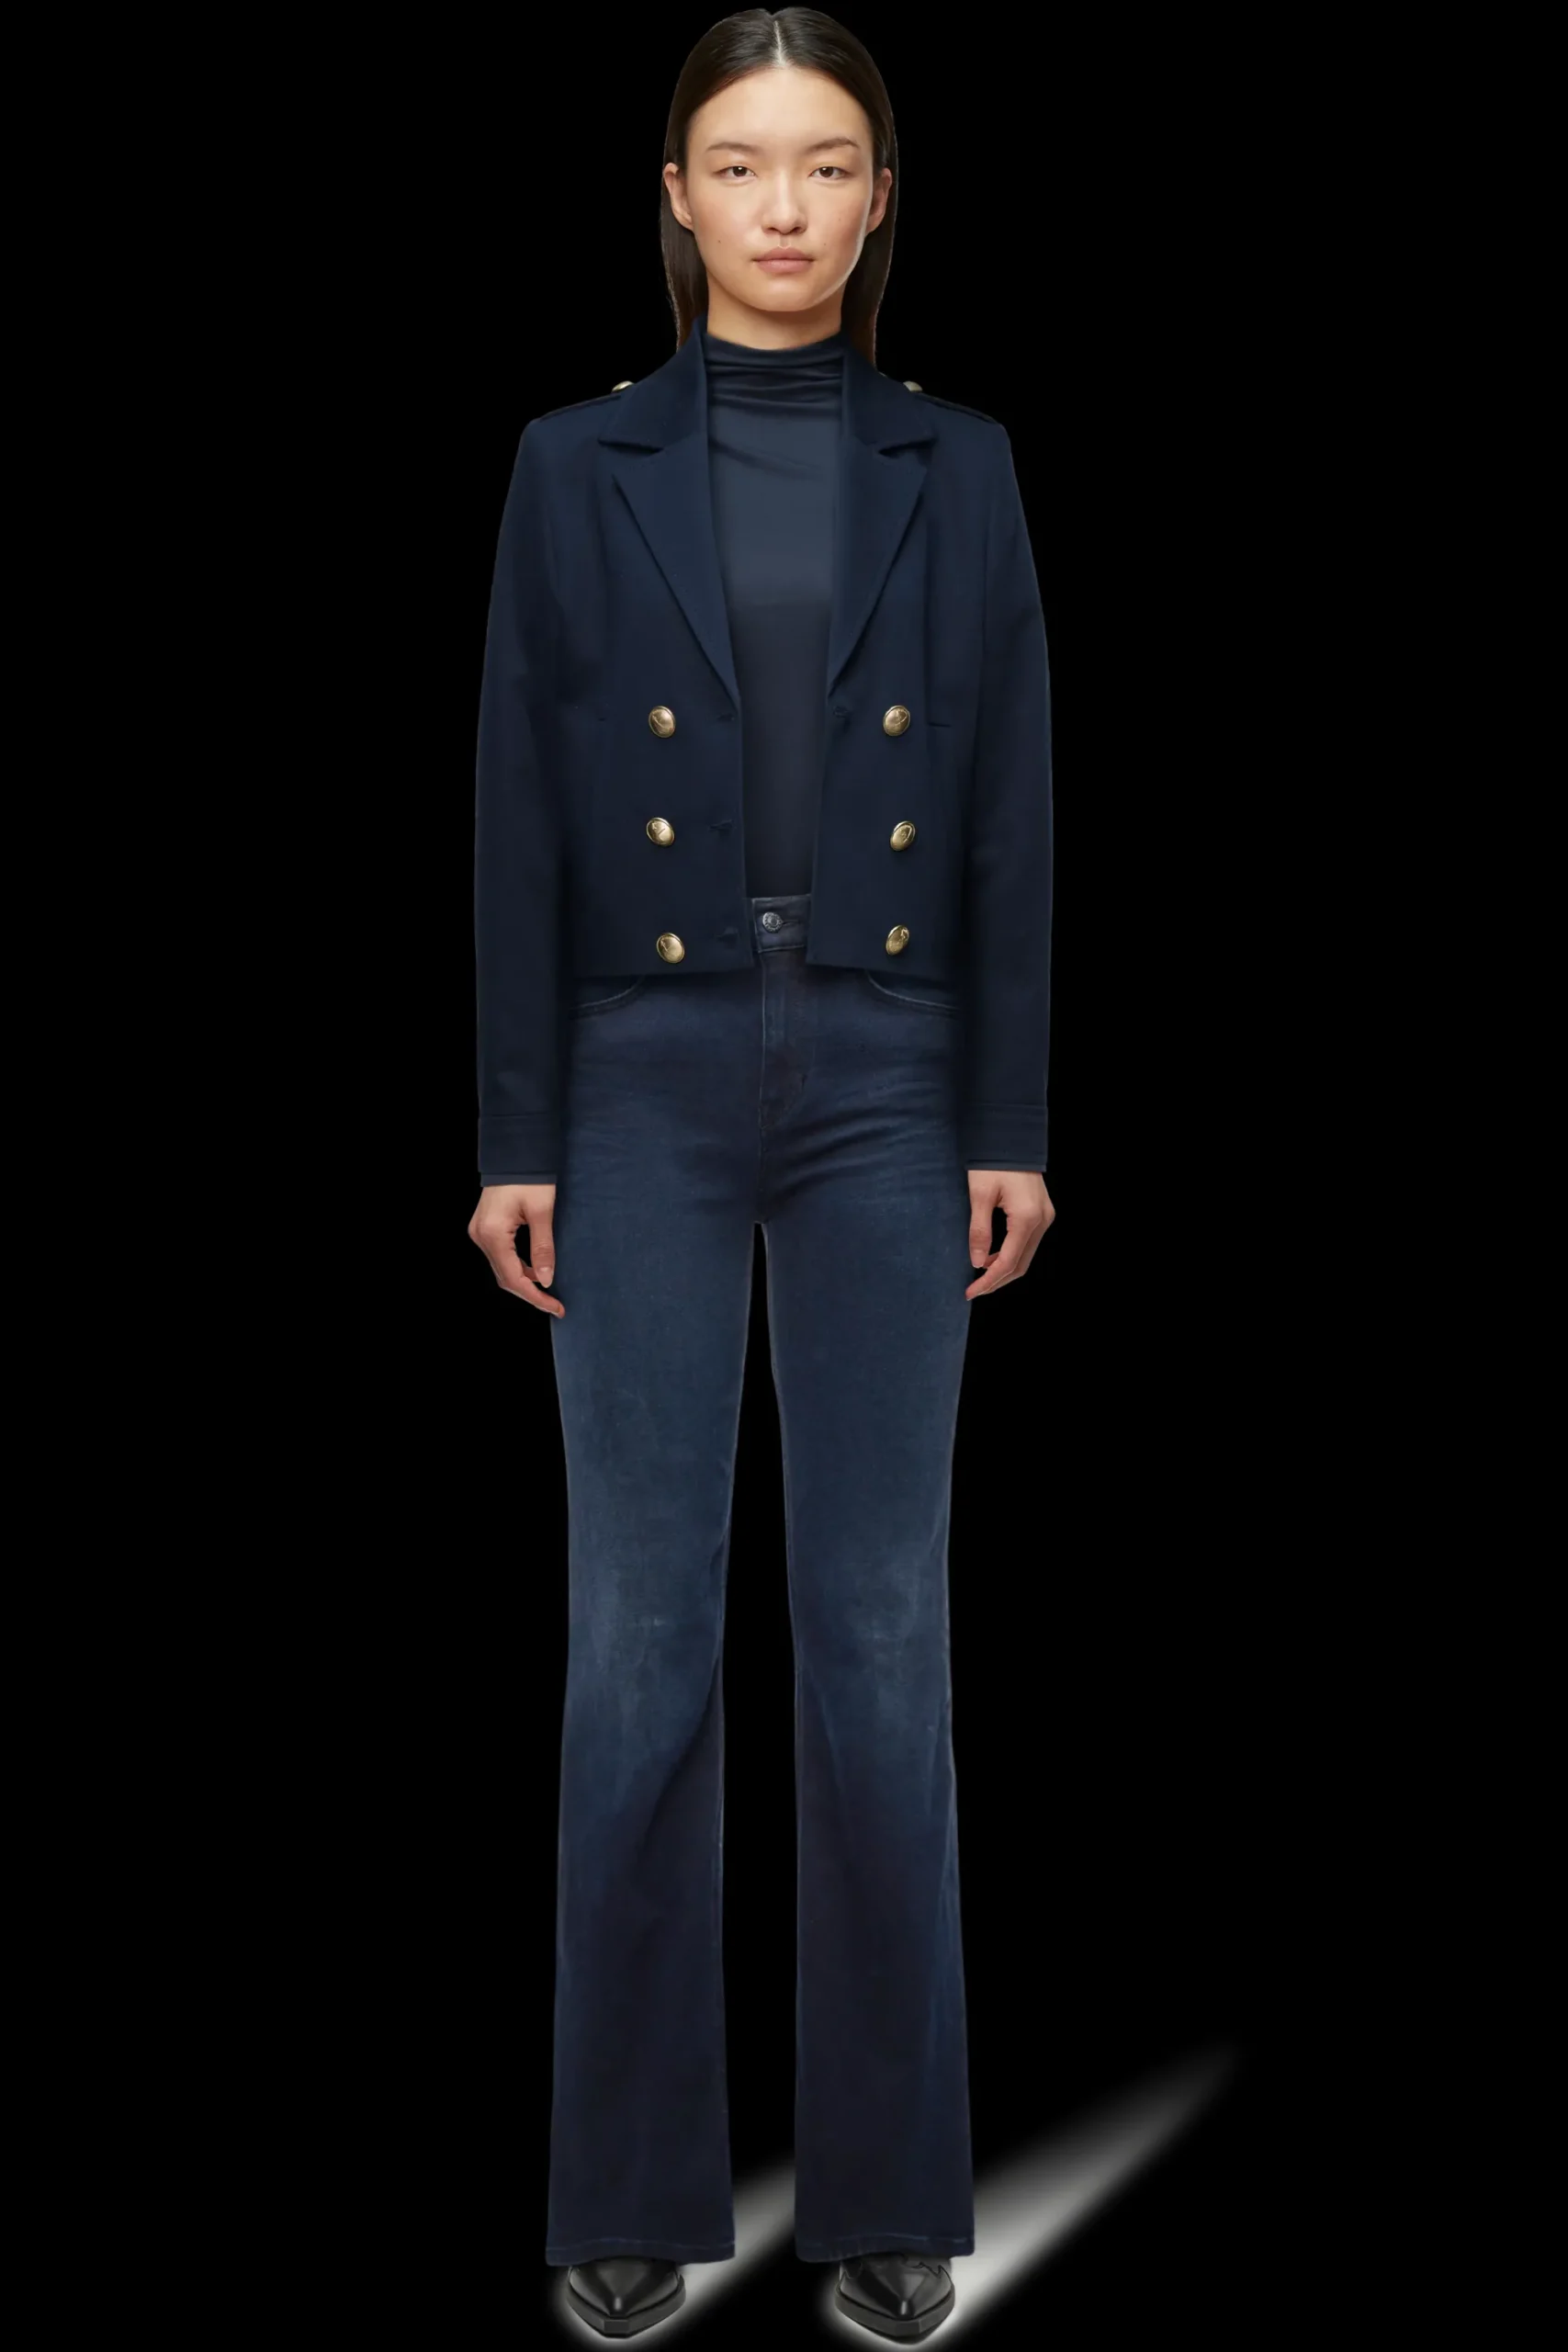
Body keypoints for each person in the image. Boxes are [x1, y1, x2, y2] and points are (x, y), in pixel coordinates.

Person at [468, 7, 1055, 2337]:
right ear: (677, 195)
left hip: (896, 1070)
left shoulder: (962, 463)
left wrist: (1010, 1115)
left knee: (881, 1634)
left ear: (881, 197)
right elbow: (515, 806)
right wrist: (514, 1133)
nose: (783, 205)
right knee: (637, 1637)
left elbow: (1011, 806)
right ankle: (626, 2181)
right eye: (740, 163)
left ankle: (889, 2188)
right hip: (640, 1061)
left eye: (824, 164)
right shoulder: (570, 461)